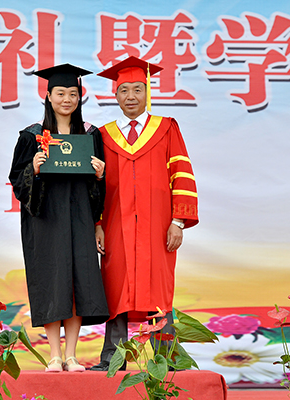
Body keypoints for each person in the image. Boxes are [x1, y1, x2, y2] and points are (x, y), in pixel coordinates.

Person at [90, 56, 199, 371]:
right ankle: (113, 359)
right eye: (124, 90)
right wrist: (97, 224)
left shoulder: (166, 128)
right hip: (116, 225)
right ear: (115, 95)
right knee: (116, 286)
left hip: (158, 225)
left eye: (138, 89)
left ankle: (167, 359)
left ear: (147, 92)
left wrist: (178, 221)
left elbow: (182, 174)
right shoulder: (103, 135)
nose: (131, 97)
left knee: (157, 287)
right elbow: (95, 186)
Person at [9, 64, 109, 373]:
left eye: (73, 94)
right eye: (61, 93)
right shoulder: (31, 136)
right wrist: (34, 169)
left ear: (80, 97)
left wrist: (100, 175)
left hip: (80, 217)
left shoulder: (90, 135)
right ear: (48, 95)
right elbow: (17, 181)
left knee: (78, 280)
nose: (67, 99)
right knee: (52, 281)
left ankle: (72, 355)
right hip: (46, 219)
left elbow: (101, 187)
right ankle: (54, 355)